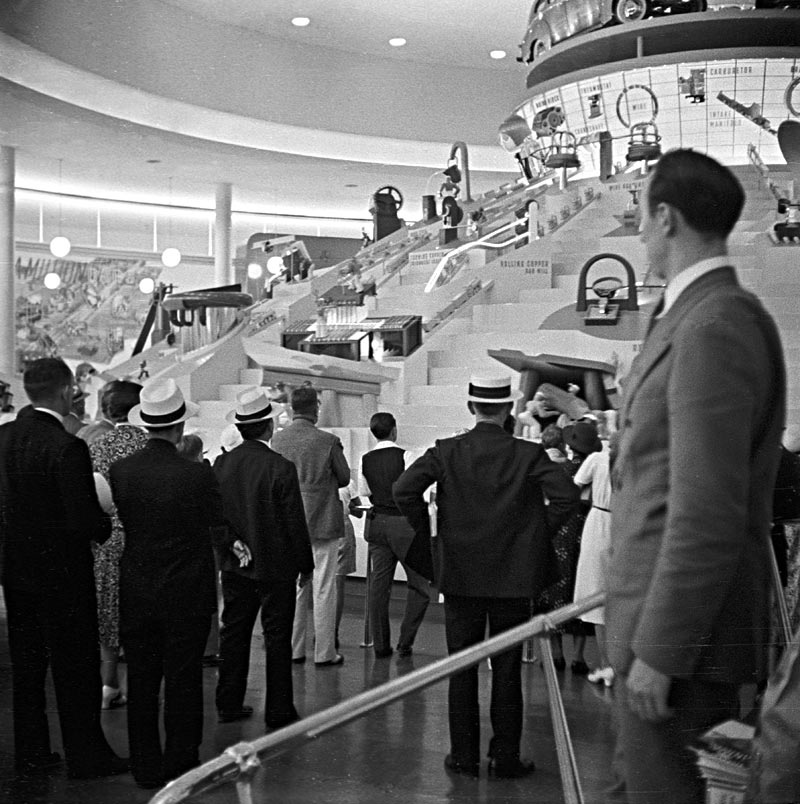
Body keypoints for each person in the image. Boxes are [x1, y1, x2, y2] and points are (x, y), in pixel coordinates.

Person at [605, 149, 786, 804]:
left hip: (683, 652)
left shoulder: (713, 324)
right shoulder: (695, 316)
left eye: (642, 213)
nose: (639, 229)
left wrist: (659, 652)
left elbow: (705, 511)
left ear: (668, 217)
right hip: (665, 636)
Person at [394, 375, 579, 780]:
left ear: (470, 407)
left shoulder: (447, 452)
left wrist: (435, 539)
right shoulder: (528, 455)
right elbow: (566, 496)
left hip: (460, 575)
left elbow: (404, 490)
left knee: (462, 667)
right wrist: (532, 535)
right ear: (509, 410)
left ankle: (463, 755)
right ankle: (505, 756)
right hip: (513, 578)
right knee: (507, 670)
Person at [0, 357, 128, 779]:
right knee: (75, 669)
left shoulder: (3, 438)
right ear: (65, 390)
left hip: (16, 574)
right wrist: (106, 522)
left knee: (28, 669)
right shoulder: (66, 447)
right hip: (65, 577)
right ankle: (86, 755)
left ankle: (32, 751)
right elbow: (82, 520)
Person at [110, 379, 230, 789]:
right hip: (187, 589)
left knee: (142, 679)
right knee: (183, 680)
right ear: (180, 427)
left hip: (138, 585)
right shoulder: (195, 476)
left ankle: (144, 764)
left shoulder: (121, 472)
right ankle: (181, 762)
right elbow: (218, 523)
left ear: (146, 424)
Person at [213, 388, 314, 729]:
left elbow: (215, 517)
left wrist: (230, 545)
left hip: (236, 565)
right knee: (277, 638)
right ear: (268, 427)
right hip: (276, 567)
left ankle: (228, 701)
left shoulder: (222, 464)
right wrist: (305, 565)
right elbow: (293, 522)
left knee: (234, 633)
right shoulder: (280, 467)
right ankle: (279, 709)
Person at [271, 385, 351, 666]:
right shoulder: (328, 441)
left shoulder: (277, 442)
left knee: (296, 588)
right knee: (324, 586)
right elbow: (343, 478)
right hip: (323, 522)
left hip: (289, 524)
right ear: (315, 409)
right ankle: (325, 652)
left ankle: (295, 649)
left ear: (292, 408)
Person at [87, 379, 147, 710]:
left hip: (108, 540)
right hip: (144, 541)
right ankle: (143, 686)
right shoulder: (149, 445)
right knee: (141, 618)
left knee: (108, 614)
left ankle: (108, 685)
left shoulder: (97, 447)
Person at [359, 412, 430, 659]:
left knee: (379, 587)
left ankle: (380, 645)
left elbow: (364, 491)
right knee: (420, 584)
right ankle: (405, 641)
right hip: (403, 525)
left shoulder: (366, 459)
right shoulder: (406, 456)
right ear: (394, 430)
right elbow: (412, 488)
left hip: (377, 524)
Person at [572, 434, 614, 687]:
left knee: (596, 593)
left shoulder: (597, 459)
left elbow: (576, 484)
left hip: (598, 522)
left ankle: (607, 663)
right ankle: (615, 664)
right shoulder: (633, 457)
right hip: (623, 522)